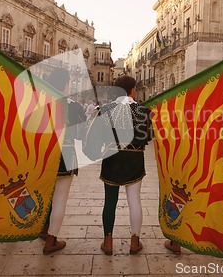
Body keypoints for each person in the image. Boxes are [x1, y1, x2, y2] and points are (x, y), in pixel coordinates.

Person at [83, 75, 152, 255]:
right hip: (135, 159)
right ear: (133, 90)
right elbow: (148, 136)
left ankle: (108, 242)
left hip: (112, 158)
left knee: (110, 201)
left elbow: (94, 137)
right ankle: (135, 242)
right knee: (134, 200)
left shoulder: (105, 109)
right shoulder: (143, 110)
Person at [42, 67, 87, 255]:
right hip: (66, 155)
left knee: (45, 195)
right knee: (60, 198)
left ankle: (43, 229)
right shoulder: (74, 106)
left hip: (44, 156)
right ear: (66, 83)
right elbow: (82, 133)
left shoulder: (42, 104)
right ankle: (51, 240)